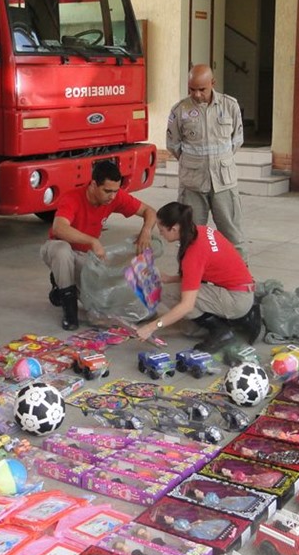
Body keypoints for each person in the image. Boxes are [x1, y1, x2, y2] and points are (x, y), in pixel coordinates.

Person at [40, 160, 156, 331]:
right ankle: (70, 312)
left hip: (85, 257)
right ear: (93, 184)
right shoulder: (72, 198)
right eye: (107, 191)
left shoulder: (114, 196)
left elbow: (150, 211)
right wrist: (92, 241)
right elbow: (59, 228)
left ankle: (61, 286)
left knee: (102, 301)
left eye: (116, 191)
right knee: (62, 251)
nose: (112, 196)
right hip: (58, 248)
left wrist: (146, 231)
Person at [135, 202, 260, 351]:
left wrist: (151, 327)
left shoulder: (193, 255)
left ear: (174, 229)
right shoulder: (202, 231)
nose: (161, 234)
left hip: (237, 300)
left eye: (162, 230)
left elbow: (186, 305)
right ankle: (234, 320)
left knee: (168, 294)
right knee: (184, 315)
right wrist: (168, 278)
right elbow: (199, 273)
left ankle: (220, 331)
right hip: (242, 289)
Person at [166, 64, 247, 259]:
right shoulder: (179, 110)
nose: (197, 94)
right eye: (192, 89)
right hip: (192, 183)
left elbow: (237, 140)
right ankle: (191, 275)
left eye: (202, 89)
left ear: (213, 83)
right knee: (190, 236)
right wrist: (193, 163)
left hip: (223, 182)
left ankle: (239, 273)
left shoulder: (230, 106)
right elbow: (173, 145)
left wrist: (220, 161)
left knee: (232, 235)